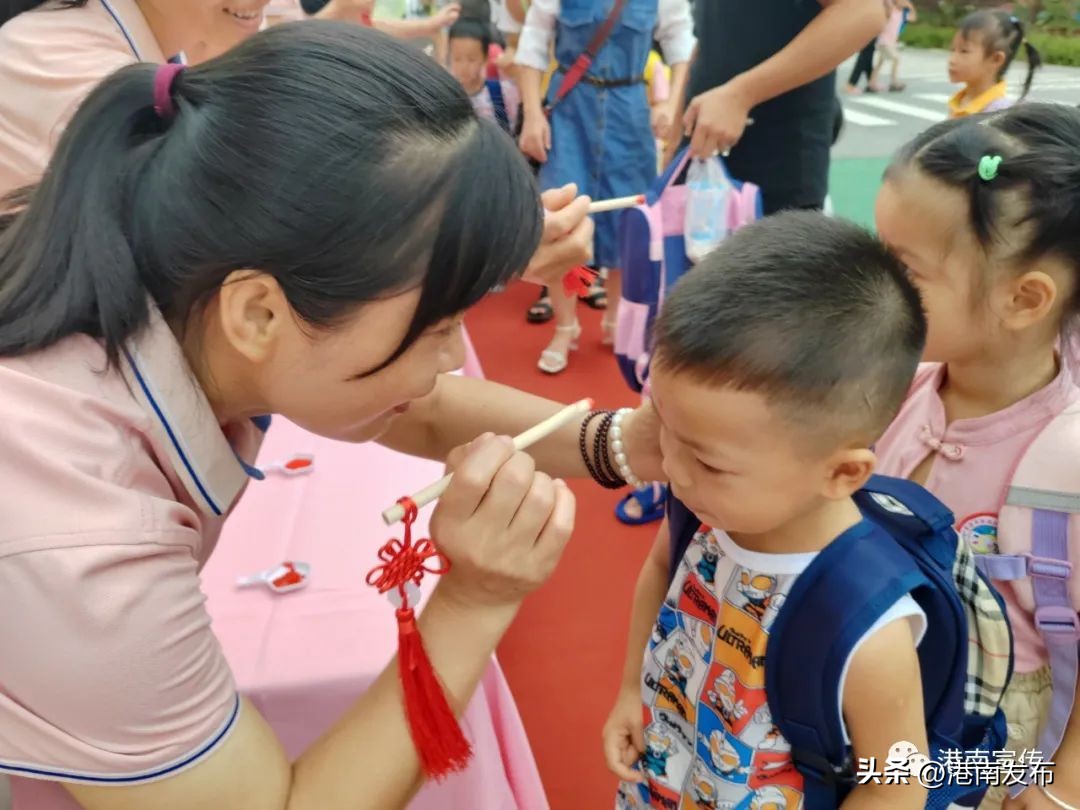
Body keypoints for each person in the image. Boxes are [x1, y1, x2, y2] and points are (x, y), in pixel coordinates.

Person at [0, 22, 669, 810]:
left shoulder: (164, 276)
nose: (453, 357)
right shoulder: (80, 536)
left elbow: (408, 407)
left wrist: (623, 443)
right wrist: (475, 600)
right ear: (258, 312)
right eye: (436, 325)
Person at [602, 212, 930, 808]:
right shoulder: (703, 510)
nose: (672, 468)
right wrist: (631, 689)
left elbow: (898, 786)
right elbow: (659, 571)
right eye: (666, 428)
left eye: (709, 462)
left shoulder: (869, 628)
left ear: (841, 473)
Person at [873, 103, 1080, 810]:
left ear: (1024, 298)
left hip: (984, 757)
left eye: (903, 270)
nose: (874, 287)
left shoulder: (1065, 467)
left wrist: (1065, 788)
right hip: (873, 705)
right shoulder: (893, 390)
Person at [517, 0, 695, 374]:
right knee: (561, 222)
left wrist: (671, 104)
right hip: (570, 110)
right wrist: (532, 115)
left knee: (628, 220)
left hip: (629, 112)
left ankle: (616, 321)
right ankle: (566, 327)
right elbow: (532, 42)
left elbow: (681, 41)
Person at [675, 0, 885, 215]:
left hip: (776, 167)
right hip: (699, 162)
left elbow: (864, 11)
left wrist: (741, 95)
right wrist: (676, 133)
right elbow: (709, 40)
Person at [946, 10, 1042, 118]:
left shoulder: (998, 114)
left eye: (964, 51)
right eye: (952, 50)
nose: (952, 60)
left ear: (996, 59)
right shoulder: (959, 101)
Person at [448, 17, 520, 133]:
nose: (464, 67)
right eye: (457, 59)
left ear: (485, 59)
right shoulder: (446, 97)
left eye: (471, 59)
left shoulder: (501, 93)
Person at [869, 0, 916, 93]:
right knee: (896, 59)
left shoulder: (902, 14)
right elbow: (886, 3)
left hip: (891, 42)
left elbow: (913, 18)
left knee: (880, 62)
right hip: (884, 41)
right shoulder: (891, 10)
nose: (904, 3)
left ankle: (872, 83)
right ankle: (894, 83)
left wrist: (910, 6)